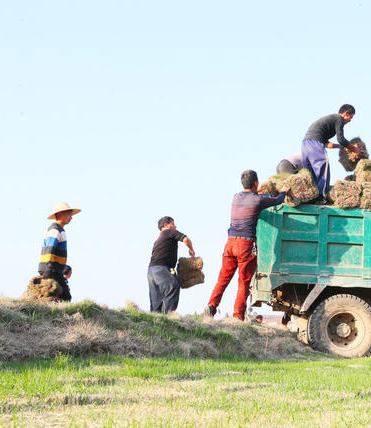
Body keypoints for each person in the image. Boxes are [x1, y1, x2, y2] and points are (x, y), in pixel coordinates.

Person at [204, 170, 286, 321]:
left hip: (230, 243)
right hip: (245, 244)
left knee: (223, 279)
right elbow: (278, 201)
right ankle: (237, 316)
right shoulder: (258, 200)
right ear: (256, 183)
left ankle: (211, 306)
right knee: (243, 281)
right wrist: (284, 191)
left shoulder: (236, 197)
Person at [301, 104, 359, 203]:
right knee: (324, 166)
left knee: (312, 174)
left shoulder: (330, 121)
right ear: (346, 113)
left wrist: (341, 147)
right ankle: (321, 197)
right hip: (315, 143)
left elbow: (327, 143)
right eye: (350, 118)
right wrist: (354, 148)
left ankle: (310, 197)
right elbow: (341, 139)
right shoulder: (338, 119)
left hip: (305, 145)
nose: (349, 121)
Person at [148, 216, 195, 314]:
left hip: (151, 270)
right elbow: (186, 239)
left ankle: (155, 320)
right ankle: (168, 318)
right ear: (166, 225)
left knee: (156, 298)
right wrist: (191, 250)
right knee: (173, 286)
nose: (175, 226)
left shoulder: (158, 239)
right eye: (173, 224)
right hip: (162, 268)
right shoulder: (169, 232)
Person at [38, 202, 81, 302]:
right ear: (60, 214)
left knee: (60, 295)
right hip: (51, 269)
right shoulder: (55, 230)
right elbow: (50, 249)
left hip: (55, 269)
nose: (71, 217)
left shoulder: (59, 230)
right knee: (65, 296)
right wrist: (48, 269)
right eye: (69, 214)